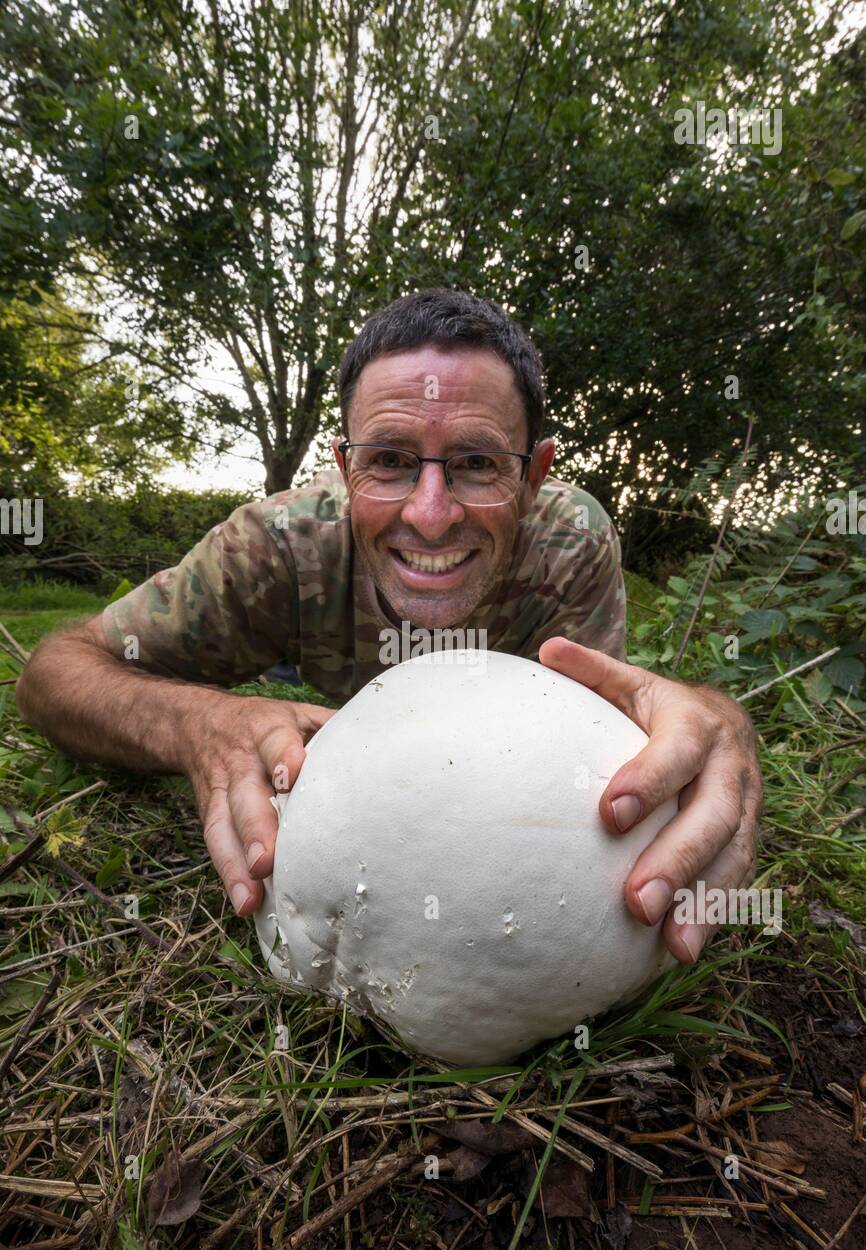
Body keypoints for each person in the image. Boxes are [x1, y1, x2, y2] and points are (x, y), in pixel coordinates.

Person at [17, 289, 762, 964]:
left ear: (534, 476)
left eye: (476, 462)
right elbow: (58, 669)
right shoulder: (280, 544)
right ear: (344, 468)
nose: (429, 514)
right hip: (315, 666)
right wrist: (201, 724)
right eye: (389, 461)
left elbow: (610, 739)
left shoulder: (570, 542)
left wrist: (723, 722)